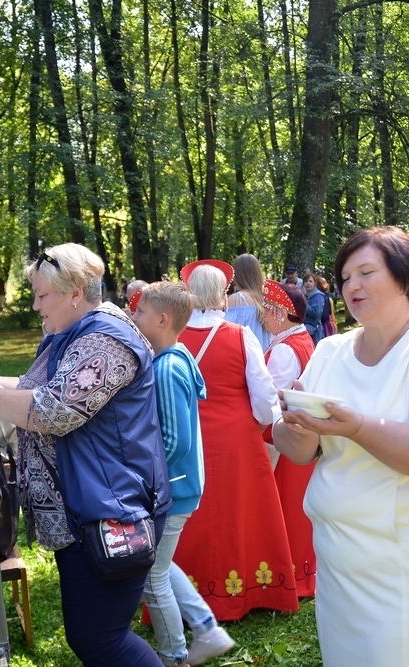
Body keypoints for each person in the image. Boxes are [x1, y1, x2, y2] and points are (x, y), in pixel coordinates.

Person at [0, 243, 172, 667]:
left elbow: (54, 410)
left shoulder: (106, 342)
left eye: (42, 295)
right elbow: (38, 387)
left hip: (111, 509)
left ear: (76, 292)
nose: (34, 305)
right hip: (89, 509)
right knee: (93, 637)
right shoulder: (73, 334)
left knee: (102, 640)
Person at [273, 226, 409, 667]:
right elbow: (299, 451)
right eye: (345, 276)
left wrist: (357, 428)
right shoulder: (330, 350)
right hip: (340, 560)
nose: (352, 285)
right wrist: (294, 422)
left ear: (405, 276)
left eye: (366, 272)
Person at [173, 261, 299, 622]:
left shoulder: (173, 337)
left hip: (188, 437)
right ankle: (248, 589)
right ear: (223, 295)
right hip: (235, 440)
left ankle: (191, 594)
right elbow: (263, 401)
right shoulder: (239, 336)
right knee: (241, 513)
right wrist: (259, 421)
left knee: (189, 517)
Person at [132, 280, 235, 667]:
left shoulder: (169, 369)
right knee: (160, 562)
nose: (134, 315)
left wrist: (143, 476)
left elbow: (175, 441)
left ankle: (174, 656)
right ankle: (207, 629)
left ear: (161, 319)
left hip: (171, 489)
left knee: (150, 577)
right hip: (174, 486)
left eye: (140, 311)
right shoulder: (170, 359)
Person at [260, 280, 317, 598]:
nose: (263, 316)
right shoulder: (299, 339)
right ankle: (299, 570)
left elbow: (271, 400)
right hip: (298, 438)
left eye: (267, 310)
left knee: (288, 509)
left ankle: (291, 574)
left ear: (280, 313)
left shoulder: (283, 349)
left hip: (285, 440)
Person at [225, 253, 271, 351]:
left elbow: (225, 335)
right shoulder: (267, 298)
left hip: (243, 360)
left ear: (237, 274)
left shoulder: (237, 299)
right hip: (265, 359)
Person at [302, 273, 326, 345]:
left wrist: (304, 304)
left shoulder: (318, 295)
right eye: (306, 281)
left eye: (310, 281)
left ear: (315, 283)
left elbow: (316, 312)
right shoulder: (305, 296)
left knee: (314, 352)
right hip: (305, 329)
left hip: (314, 331)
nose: (308, 283)